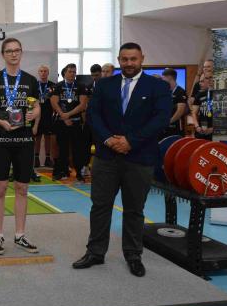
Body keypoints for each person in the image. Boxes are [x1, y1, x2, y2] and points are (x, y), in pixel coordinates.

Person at [73, 42, 171, 277]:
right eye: (124, 59)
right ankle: (95, 252)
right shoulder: (104, 85)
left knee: (134, 209)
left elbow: (161, 119)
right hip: (106, 156)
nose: (129, 63)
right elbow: (93, 115)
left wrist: (130, 141)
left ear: (142, 58)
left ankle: (133, 255)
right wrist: (109, 139)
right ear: (119, 60)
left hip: (140, 157)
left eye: (133, 59)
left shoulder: (157, 87)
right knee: (100, 206)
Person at [0, 38, 41, 255]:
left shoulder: (31, 80)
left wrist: (34, 114)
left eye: (17, 50)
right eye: (9, 51)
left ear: (21, 53)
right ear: (3, 54)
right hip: (1, 140)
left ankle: (20, 235)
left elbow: (37, 107)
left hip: (24, 141)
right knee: (0, 187)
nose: (13, 54)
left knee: (22, 188)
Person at [50, 64, 88, 182]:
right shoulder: (58, 86)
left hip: (75, 122)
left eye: (74, 72)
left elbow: (83, 105)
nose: (72, 74)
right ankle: (61, 171)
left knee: (77, 149)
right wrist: (63, 116)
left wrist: (69, 114)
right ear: (65, 73)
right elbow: (54, 103)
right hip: (61, 122)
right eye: (70, 71)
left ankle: (79, 173)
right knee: (62, 148)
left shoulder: (81, 86)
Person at [80, 64, 103, 179]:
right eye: (93, 75)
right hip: (89, 121)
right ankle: (85, 166)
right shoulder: (87, 87)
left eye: (97, 75)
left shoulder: (106, 86)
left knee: (100, 145)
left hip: (102, 122)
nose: (95, 77)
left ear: (101, 73)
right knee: (85, 145)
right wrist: (84, 120)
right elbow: (84, 105)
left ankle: (100, 168)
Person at [34, 65, 55, 171]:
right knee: (37, 137)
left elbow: (55, 101)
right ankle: (36, 159)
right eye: (41, 71)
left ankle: (47, 158)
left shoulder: (53, 85)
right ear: (38, 73)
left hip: (48, 115)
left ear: (48, 73)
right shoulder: (34, 85)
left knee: (48, 137)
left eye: (45, 71)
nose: (43, 73)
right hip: (37, 114)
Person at [161, 68, 188, 138]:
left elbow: (180, 111)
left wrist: (169, 122)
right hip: (164, 129)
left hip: (176, 129)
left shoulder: (180, 91)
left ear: (170, 78)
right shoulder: (166, 92)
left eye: (163, 79)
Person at [191, 75, 214, 140]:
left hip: (215, 133)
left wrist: (213, 128)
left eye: (202, 81)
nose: (200, 83)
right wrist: (197, 126)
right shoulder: (199, 95)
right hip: (201, 131)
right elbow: (194, 113)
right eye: (199, 81)